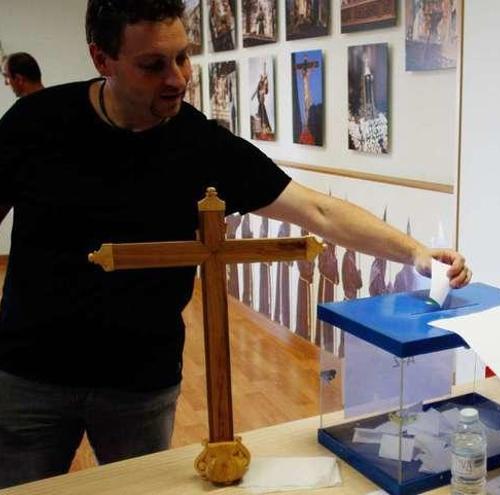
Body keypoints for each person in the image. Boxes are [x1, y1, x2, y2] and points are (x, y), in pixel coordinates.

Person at [0, 0, 471, 488]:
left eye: (183, 57)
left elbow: (318, 210)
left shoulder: (201, 146)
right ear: (102, 60)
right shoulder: (35, 124)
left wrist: (415, 251)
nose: (178, 78)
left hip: (141, 381)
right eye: (152, 65)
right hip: (31, 374)